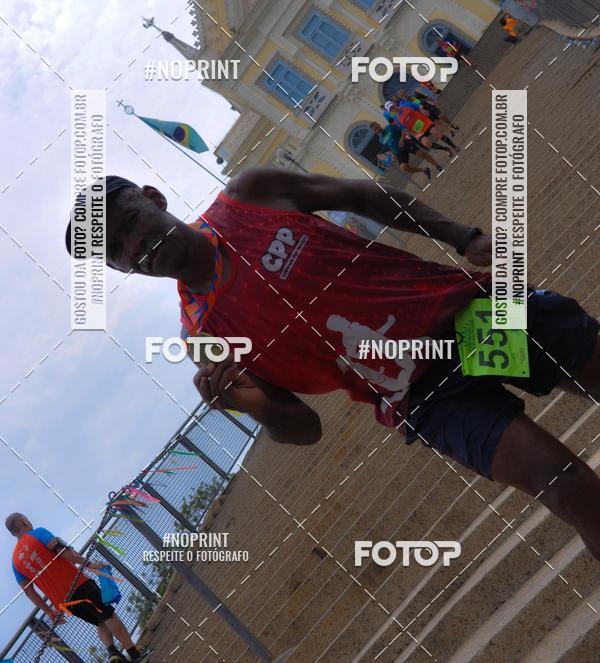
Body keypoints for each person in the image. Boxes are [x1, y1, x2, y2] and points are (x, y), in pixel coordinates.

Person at [66, 174, 600, 559]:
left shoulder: (248, 197)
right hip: (420, 398)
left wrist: (462, 235)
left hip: (467, 314)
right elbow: (304, 428)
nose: (135, 245)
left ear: (155, 198)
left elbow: (359, 195)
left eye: (130, 222)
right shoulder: (204, 340)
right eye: (117, 250)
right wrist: (249, 405)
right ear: (119, 268)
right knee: (568, 490)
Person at [7, 514, 148, 662]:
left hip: (64, 603)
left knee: (100, 621)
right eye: (27, 519)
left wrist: (49, 612)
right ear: (24, 521)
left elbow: (29, 592)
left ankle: (113, 653)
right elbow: (61, 550)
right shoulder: (38, 533)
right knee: (108, 616)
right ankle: (135, 655)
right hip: (78, 584)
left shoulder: (15, 561)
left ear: (12, 533)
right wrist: (88, 564)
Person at [370, 121, 441, 181]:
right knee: (403, 168)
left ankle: (437, 166)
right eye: (375, 129)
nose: (377, 129)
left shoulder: (389, 127)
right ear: (375, 132)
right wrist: (394, 155)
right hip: (399, 152)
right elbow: (389, 147)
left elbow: (403, 130)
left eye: (377, 127)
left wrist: (402, 139)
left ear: (379, 125)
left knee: (421, 154)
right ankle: (425, 170)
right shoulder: (381, 140)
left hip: (406, 144)